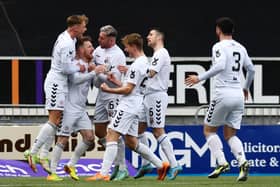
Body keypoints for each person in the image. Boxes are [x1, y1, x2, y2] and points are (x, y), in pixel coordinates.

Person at [85, 33, 170, 181]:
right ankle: (160, 165)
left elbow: (128, 90)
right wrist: (116, 82)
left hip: (128, 105)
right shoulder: (145, 62)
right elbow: (132, 86)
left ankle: (103, 173)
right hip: (137, 104)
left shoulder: (137, 65)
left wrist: (108, 89)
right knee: (132, 141)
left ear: (133, 46)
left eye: (127, 46)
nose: (125, 50)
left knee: (111, 133)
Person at [185, 17, 255, 182]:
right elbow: (251, 70)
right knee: (230, 135)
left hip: (223, 94)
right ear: (233, 31)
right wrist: (245, 88)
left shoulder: (218, 46)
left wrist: (200, 78)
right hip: (238, 95)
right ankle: (242, 161)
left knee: (209, 130)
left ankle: (222, 162)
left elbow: (220, 65)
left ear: (218, 30)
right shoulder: (241, 47)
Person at [25, 14, 88, 173]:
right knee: (54, 120)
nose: (85, 28)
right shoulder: (67, 43)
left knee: (56, 120)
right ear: (75, 27)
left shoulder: (70, 39)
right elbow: (67, 69)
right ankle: (32, 152)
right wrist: (78, 68)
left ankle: (43, 154)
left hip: (61, 83)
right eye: (83, 25)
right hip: (55, 83)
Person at [47, 36, 106, 181]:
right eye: (89, 46)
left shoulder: (88, 64)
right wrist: (93, 72)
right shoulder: (74, 63)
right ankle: (52, 172)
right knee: (62, 139)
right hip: (69, 107)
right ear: (80, 49)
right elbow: (75, 79)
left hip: (80, 109)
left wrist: (101, 73)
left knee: (89, 138)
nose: (92, 49)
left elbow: (98, 84)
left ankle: (71, 165)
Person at [134, 28, 182, 180]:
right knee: (137, 130)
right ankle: (146, 163)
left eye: (151, 35)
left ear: (159, 37)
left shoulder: (161, 53)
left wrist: (132, 72)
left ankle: (174, 165)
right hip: (147, 96)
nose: (147, 37)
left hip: (156, 96)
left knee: (157, 131)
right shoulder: (156, 54)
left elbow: (151, 73)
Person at [92, 25, 128, 180]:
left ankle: (122, 168)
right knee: (99, 131)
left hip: (113, 95)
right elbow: (92, 63)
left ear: (111, 39)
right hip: (101, 95)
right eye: (99, 37)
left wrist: (96, 71)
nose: (98, 39)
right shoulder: (98, 51)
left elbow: (114, 80)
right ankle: (115, 160)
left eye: (102, 38)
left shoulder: (118, 55)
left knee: (115, 133)